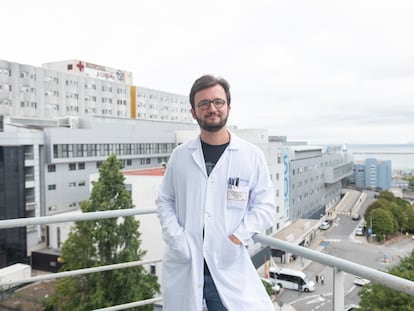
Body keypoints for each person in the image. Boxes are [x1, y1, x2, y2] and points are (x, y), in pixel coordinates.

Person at [156, 74, 276, 311]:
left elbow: (265, 206)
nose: (212, 108)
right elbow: (164, 199)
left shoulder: (250, 155)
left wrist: (237, 238)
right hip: (187, 263)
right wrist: (176, 238)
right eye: (204, 104)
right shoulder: (180, 156)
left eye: (218, 102)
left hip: (227, 265)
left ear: (228, 107)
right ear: (193, 112)